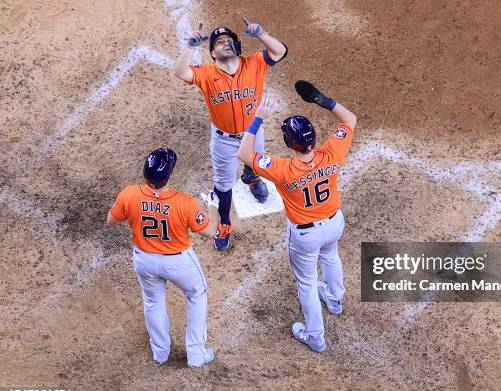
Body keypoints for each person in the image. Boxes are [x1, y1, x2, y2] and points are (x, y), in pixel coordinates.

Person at [237, 81, 358, 352]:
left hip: (305, 235)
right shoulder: (332, 153)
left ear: (289, 144)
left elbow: (244, 153)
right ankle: (335, 299)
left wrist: (257, 118)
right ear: (314, 137)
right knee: (330, 255)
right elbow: (350, 119)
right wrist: (322, 100)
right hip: (334, 222)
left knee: (306, 283)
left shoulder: (282, 169)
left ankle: (315, 335)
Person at [173, 18, 288, 251]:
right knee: (223, 185)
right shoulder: (206, 73)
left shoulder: (255, 63)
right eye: (219, 42)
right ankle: (224, 224)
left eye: (229, 40)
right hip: (224, 140)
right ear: (213, 54)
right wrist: (190, 46)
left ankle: (250, 177)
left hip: (254, 132)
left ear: (238, 47)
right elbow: (181, 72)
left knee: (256, 163)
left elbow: (280, 51)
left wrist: (262, 33)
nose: (225, 43)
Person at [106, 148, 220, 367]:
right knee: (197, 295)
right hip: (178, 262)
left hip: (144, 260)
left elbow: (111, 220)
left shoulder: (129, 194)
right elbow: (210, 232)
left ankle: (160, 353)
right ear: (168, 176)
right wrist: (213, 208)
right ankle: (196, 355)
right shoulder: (184, 202)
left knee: (153, 301)